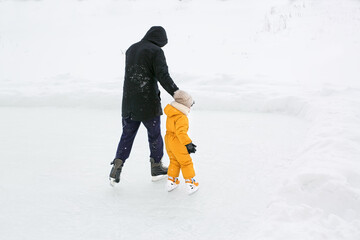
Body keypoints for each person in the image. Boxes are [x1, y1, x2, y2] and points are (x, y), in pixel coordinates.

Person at [109, 26, 180, 186]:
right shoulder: (155, 51)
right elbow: (163, 75)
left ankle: (116, 168)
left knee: (126, 135)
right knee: (154, 135)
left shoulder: (131, 49)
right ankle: (156, 167)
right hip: (148, 103)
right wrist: (176, 92)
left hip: (128, 103)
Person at [163, 90, 199, 194]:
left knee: (174, 161)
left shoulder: (172, 113)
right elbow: (181, 132)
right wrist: (188, 143)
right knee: (186, 162)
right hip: (178, 142)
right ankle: (191, 183)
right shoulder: (182, 117)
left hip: (168, 140)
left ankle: (171, 181)